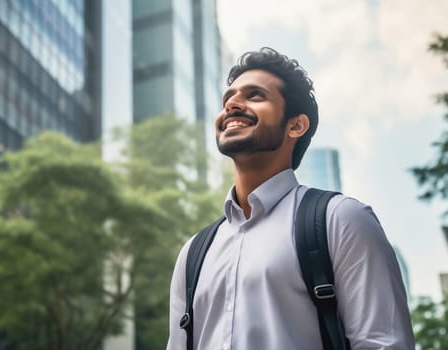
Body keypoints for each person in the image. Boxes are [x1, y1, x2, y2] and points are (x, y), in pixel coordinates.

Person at [166, 47, 415, 350]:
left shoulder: (342, 220)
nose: (232, 103)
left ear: (296, 125)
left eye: (255, 95)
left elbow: (382, 344)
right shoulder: (192, 253)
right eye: (228, 98)